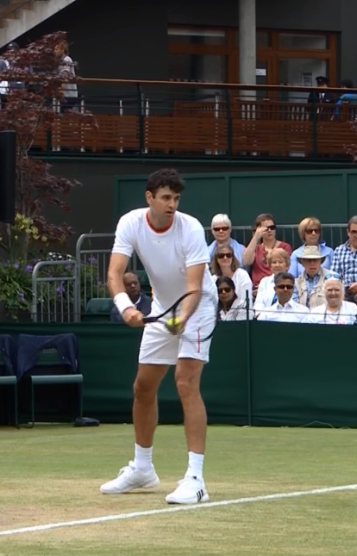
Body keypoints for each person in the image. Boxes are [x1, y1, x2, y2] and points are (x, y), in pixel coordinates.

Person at [103, 169, 216, 504]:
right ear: (149, 197)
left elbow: (195, 287)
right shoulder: (130, 223)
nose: (172, 204)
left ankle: (195, 479)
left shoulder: (190, 227)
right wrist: (126, 308)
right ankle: (142, 468)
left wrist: (182, 317)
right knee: (143, 388)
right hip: (164, 307)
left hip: (200, 307)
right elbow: (113, 273)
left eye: (176, 198)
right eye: (166, 197)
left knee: (185, 382)